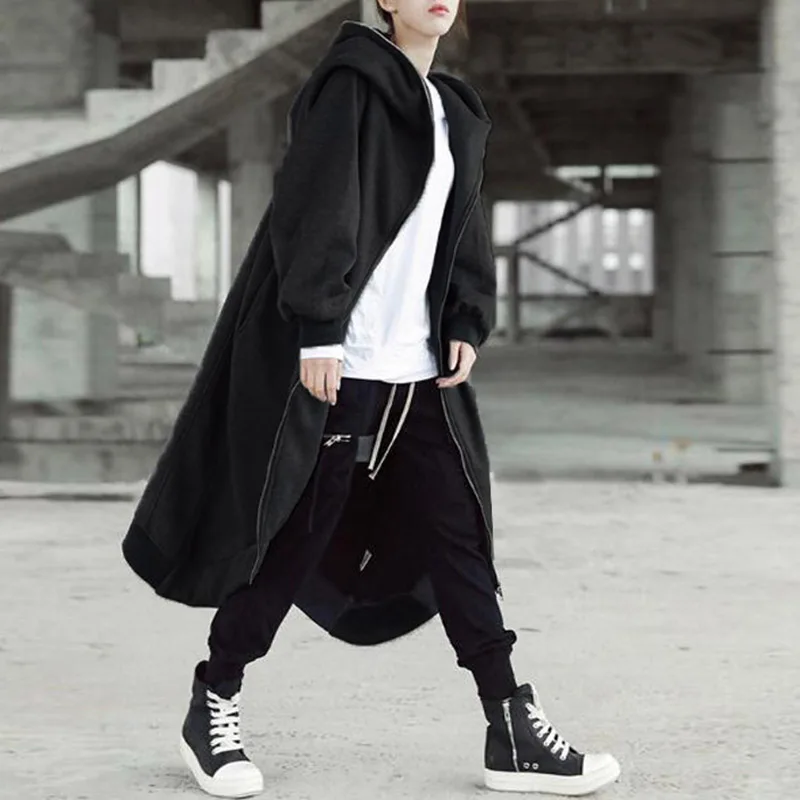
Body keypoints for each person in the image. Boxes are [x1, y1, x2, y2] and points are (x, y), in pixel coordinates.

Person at [122, 1, 621, 797]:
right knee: (294, 537)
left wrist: (465, 317)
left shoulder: (453, 107)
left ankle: (511, 727)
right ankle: (213, 699)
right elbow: (315, 204)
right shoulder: (350, 84)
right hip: (342, 363)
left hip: (419, 371)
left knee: (461, 538)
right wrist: (320, 330)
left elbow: (462, 227)